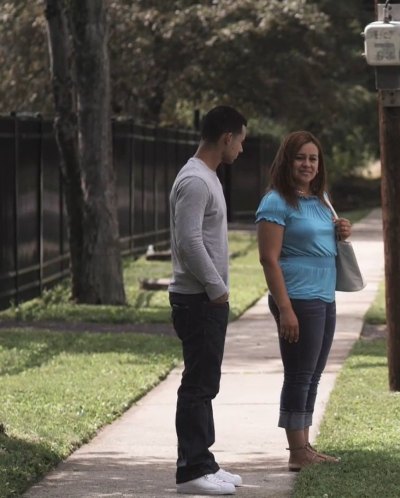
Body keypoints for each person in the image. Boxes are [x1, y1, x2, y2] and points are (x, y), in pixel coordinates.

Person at [255, 131, 352, 472]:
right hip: (296, 299)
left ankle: (305, 445)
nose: (307, 164)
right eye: (300, 158)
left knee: (312, 374)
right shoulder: (275, 202)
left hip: (324, 297)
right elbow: (268, 259)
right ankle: (296, 452)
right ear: (287, 161)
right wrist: (285, 309)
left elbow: (323, 241)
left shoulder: (321, 199)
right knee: (299, 374)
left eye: (313, 158)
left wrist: (341, 230)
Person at [168, 105, 247, 495]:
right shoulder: (196, 181)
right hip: (198, 299)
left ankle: (204, 461)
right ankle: (192, 470)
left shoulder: (207, 177)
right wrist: (216, 288)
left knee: (205, 383)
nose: (242, 150)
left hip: (205, 299)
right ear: (227, 138)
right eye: (241, 141)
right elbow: (189, 241)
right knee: (198, 385)